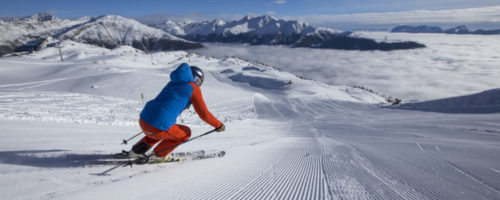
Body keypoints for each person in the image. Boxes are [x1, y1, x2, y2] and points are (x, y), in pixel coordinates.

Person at [129, 63, 225, 162]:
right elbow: (203, 114)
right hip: (157, 126)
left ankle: (136, 152)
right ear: (197, 79)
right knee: (185, 133)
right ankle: (158, 155)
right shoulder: (194, 89)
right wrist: (218, 125)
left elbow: (169, 101)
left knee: (162, 132)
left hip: (144, 120)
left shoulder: (173, 82)